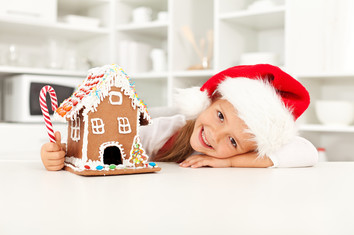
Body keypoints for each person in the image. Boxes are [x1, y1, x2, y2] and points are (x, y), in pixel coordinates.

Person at [41, 64, 318, 170]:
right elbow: (106, 142)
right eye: (220, 116)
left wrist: (231, 162)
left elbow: (307, 152)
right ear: (208, 103)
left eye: (232, 141)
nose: (215, 135)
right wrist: (59, 152)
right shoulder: (168, 129)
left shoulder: (239, 158)